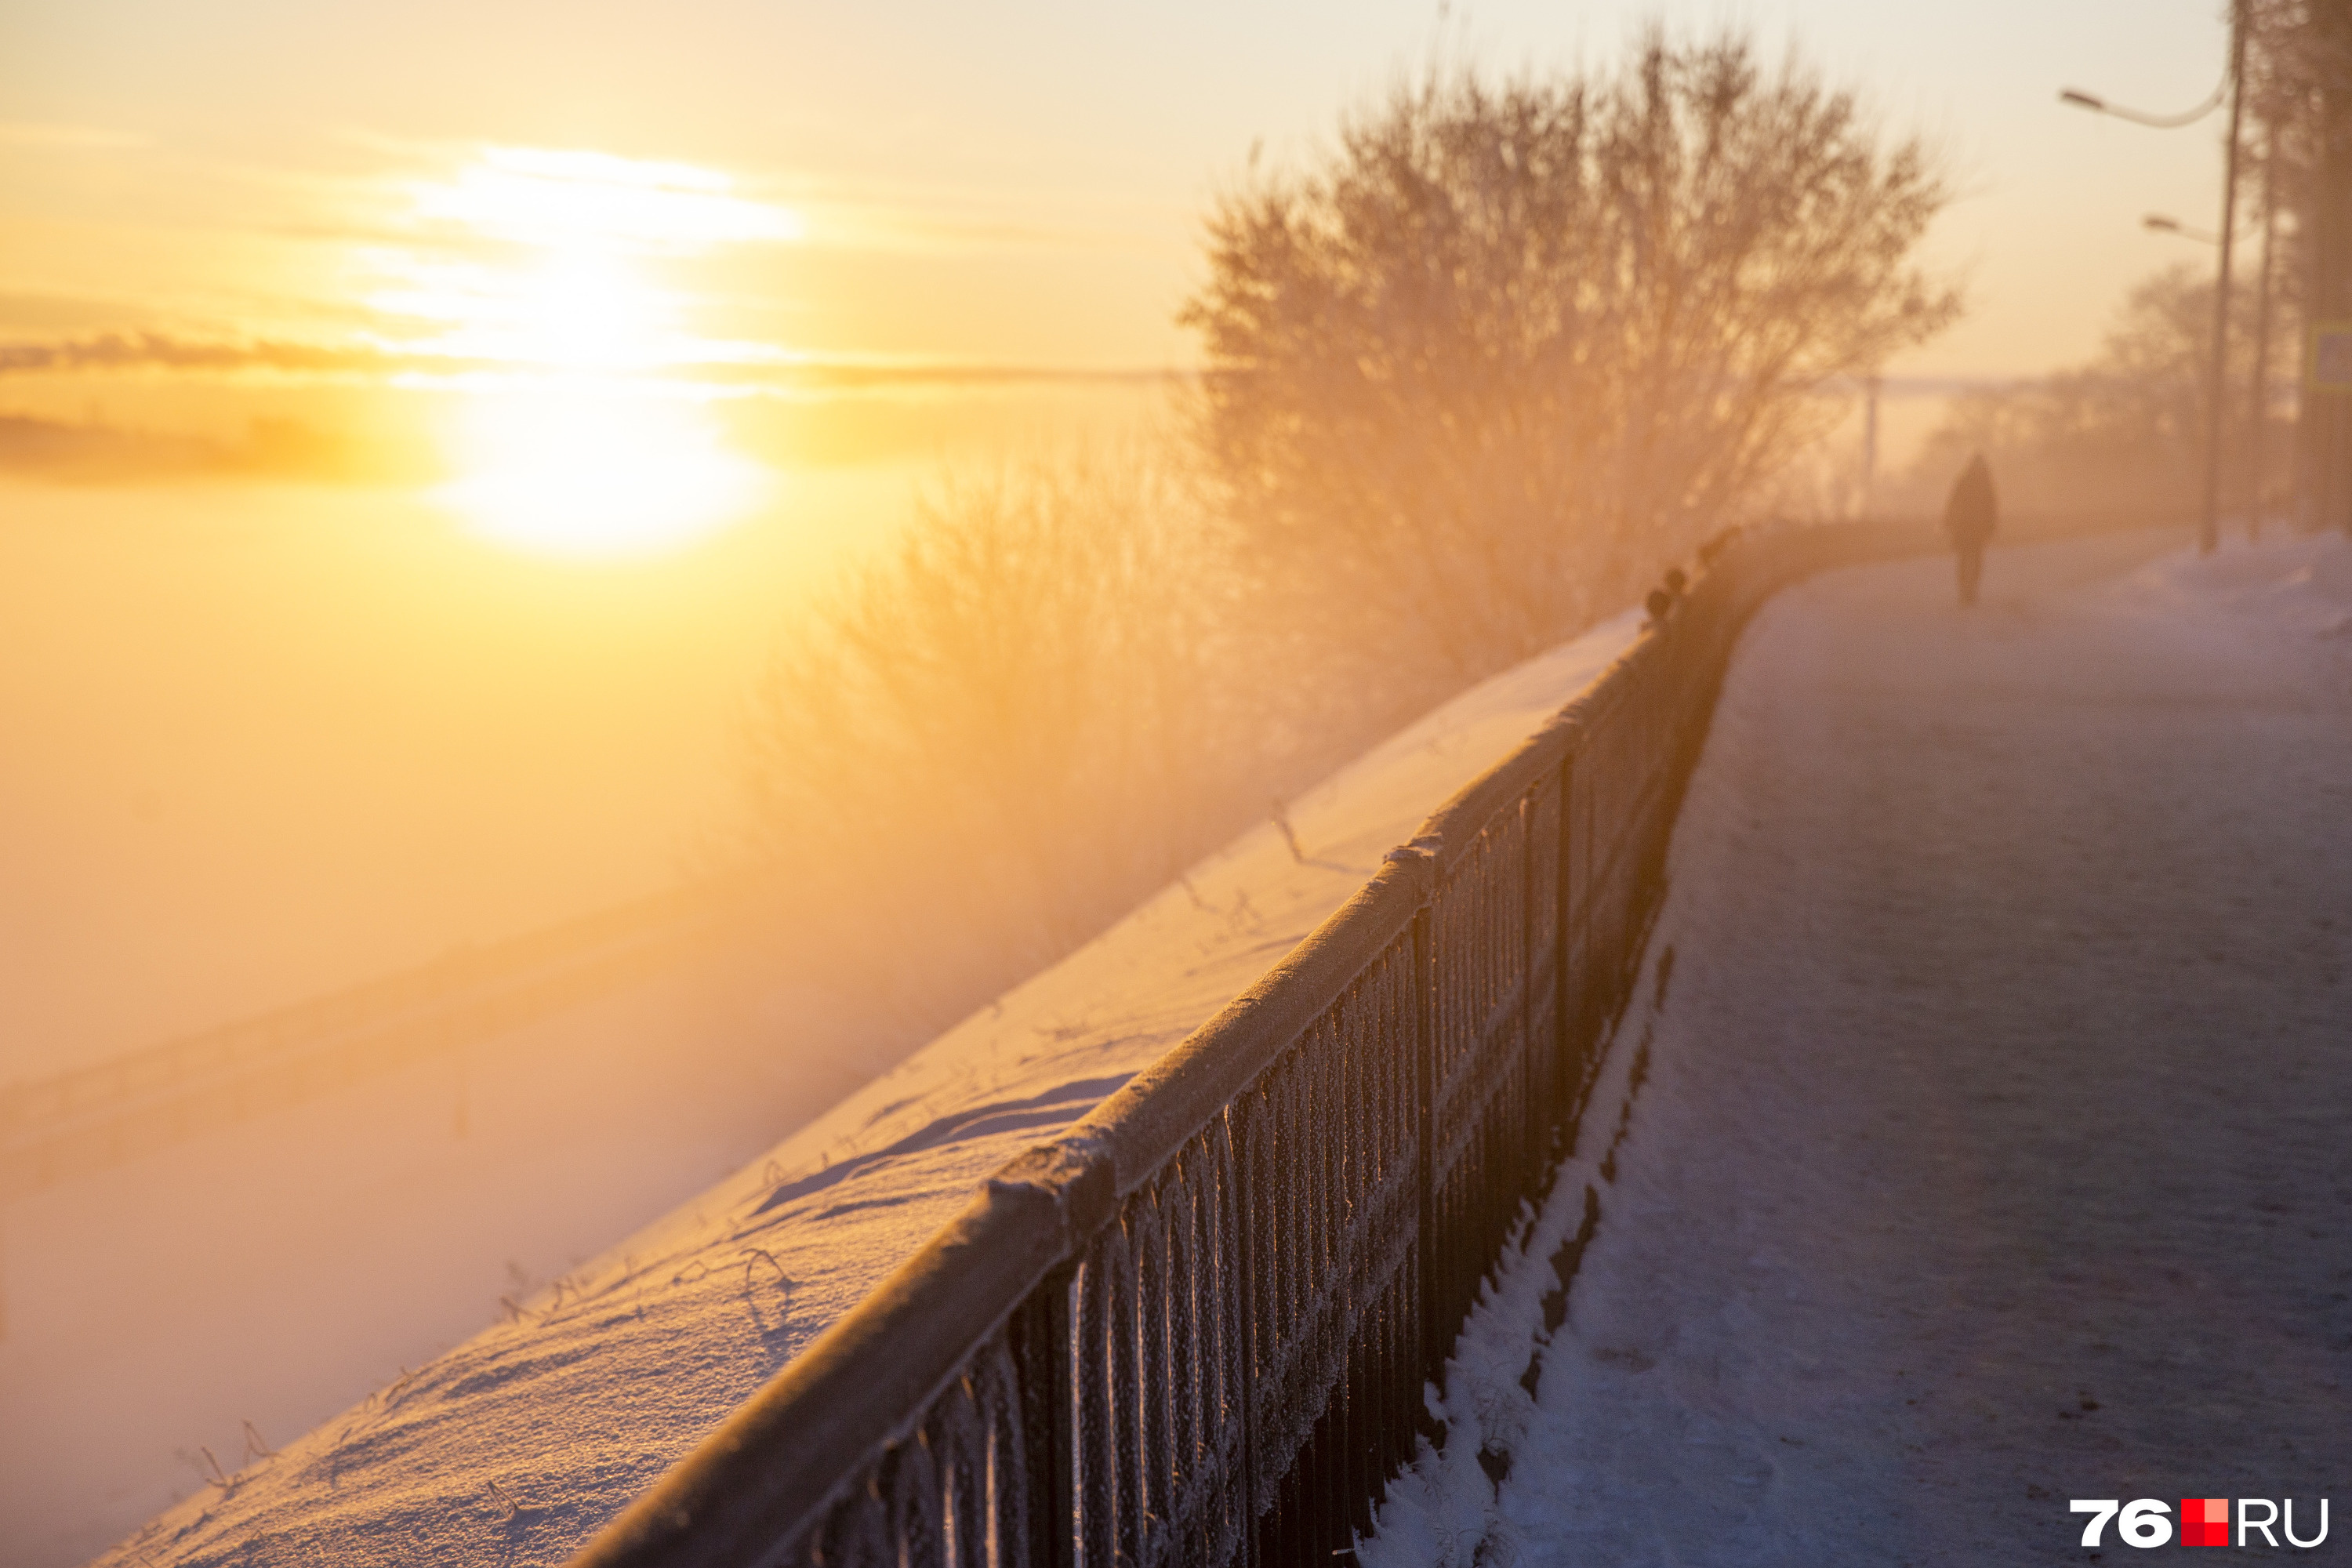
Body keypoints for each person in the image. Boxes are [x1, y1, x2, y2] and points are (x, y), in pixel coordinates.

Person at [1942, 452, 1998, 608]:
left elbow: (1952, 503)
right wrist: (1992, 526)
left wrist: (1947, 522)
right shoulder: (1986, 484)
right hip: (1975, 529)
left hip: (1964, 528)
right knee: (1974, 559)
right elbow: (1992, 508)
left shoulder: (1963, 481)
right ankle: (1969, 590)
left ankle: (1966, 590)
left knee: (1965, 559)